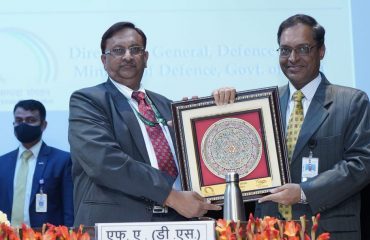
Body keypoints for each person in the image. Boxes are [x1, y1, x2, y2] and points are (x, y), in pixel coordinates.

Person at [213, 14, 370, 239]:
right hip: (267, 230)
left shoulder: (351, 101)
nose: (293, 58)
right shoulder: (263, 105)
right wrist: (220, 109)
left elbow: (362, 163)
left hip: (327, 229)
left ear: (321, 50)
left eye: (303, 49)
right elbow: (237, 158)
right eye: (285, 50)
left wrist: (304, 192)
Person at [68, 21, 221, 226]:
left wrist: (201, 123)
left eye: (135, 49)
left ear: (146, 58)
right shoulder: (88, 100)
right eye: (118, 51)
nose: (128, 56)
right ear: (104, 61)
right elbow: (105, 162)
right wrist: (171, 196)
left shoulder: (166, 105)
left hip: (180, 221)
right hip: (119, 223)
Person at [0, 100, 74, 227]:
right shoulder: (2, 162)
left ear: (43, 125)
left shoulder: (62, 160)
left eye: (30, 120)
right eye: (19, 120)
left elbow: (69, 209)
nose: (23, 125)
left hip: (46, 236)